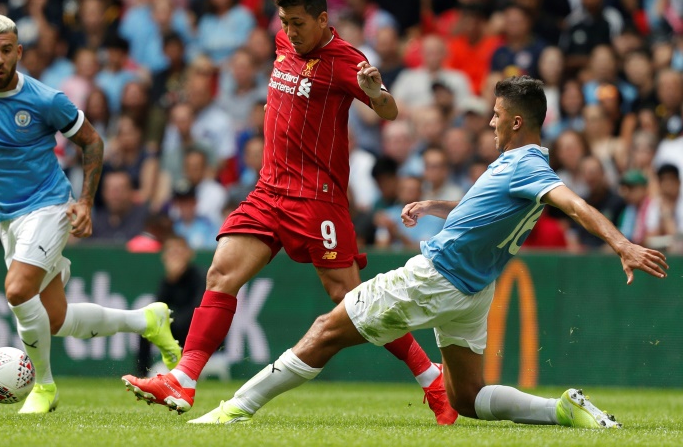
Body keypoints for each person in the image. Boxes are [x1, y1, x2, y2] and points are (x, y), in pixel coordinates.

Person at [188, 76, 668, 427]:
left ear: (518, 121)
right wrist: (440, 206)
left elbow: (574, 203)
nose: (492, 121)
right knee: (467, 397)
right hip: (473, 290)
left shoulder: (526, 167)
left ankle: (233, 410)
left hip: (435, 277)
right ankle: (562, 409)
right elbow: (484, 210)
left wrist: (622, 244)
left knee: (324, 331)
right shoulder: (519, 167)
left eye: (497, 115)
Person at [122, 0, 456, 424]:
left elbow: (390, 111)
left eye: (299, 23)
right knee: (221, 273)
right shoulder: (283, 42)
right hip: (269, 188)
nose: (292, 31)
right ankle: (184, 377)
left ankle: (430, 376)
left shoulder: (345, 60)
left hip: (316, 198)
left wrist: (377, 94)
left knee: (352, 300)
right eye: (285, 22)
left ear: (322, 19)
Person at [0, 14, 182, 414]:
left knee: (17, 290)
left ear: (19, 52)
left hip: (49, 205)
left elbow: (92, 143)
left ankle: (44, 386)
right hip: (7, 219)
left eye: (6, 51)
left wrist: (84, 202)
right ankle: (146, 321)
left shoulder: (44, 99)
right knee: (53, 320)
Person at [136, 235, 206, 375]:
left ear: (189, 253)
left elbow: (197, 313)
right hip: (175, 330)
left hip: (197, 336)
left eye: (179, 251)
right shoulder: (167, 281)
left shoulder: (200, 277)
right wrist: (171, 280)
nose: (175, 257)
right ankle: (142, 374)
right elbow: (157, 309)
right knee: (146, 323)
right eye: (170, 252)